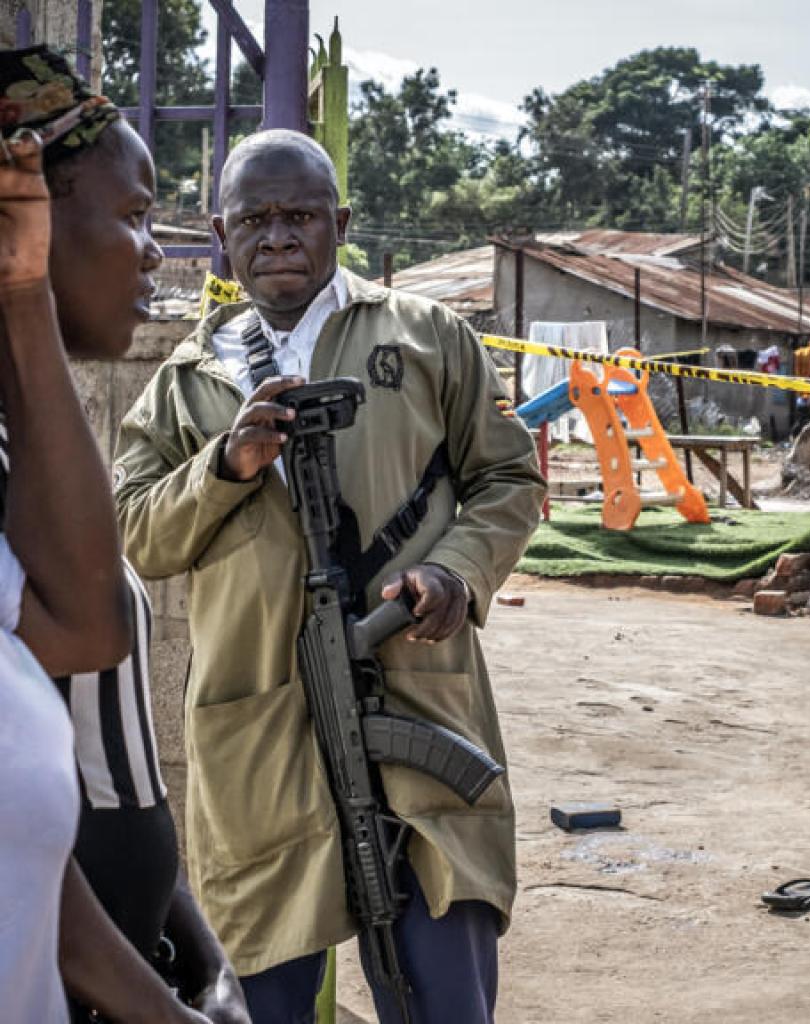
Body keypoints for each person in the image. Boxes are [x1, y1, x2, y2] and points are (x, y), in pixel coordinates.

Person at [113, 129, 547, 1023]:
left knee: (441, 991)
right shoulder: (186, 379)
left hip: (418, 698)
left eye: (299, 215)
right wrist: (222, 470)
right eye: (254, 219)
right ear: (220, 232)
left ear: (339, 223)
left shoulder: (428, 335)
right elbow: (133, 534)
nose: (277, 236)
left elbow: (509, 478)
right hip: (259, 721)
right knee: (262, 996)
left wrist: (457, 575)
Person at [0, 45, 250, 1023]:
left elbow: (100, 757)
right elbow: (88, 627)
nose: (159, 253)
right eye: (138, 217)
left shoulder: (29, 444)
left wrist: (185, 935)